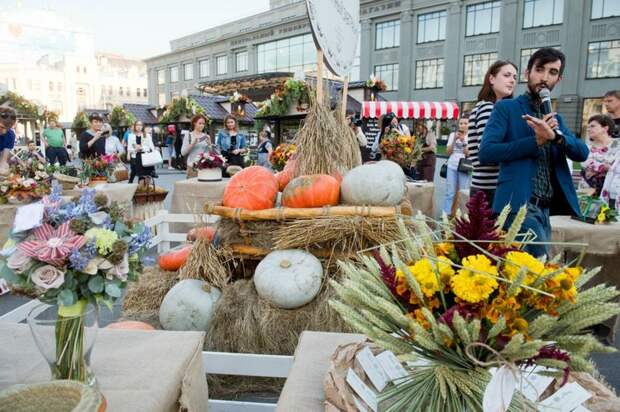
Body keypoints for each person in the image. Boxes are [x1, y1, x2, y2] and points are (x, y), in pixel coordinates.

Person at [479, 47, 589, 257]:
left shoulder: (555, 119)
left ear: (559, 78)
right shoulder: (506, 108)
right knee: (540, 269)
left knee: (530, 283)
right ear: (527, 73)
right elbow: (486, 152)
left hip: (545, 211)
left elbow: (582, 153)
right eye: (540, 69)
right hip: (517, 206)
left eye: (553, 72)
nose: (545, 78)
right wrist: (536, 141)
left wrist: (556, 137)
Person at [468, 60, 518, 205]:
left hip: (485, 187)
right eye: (507, 75)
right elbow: (489, 153)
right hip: (489, 188)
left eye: (514, 77)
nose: (512, 81)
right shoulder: (488, 108)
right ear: (492, 78)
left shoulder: (488, 106)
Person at [580, 114, 619, 196]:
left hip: (612, 193)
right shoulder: (586, 148)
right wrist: (605, 167)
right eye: (588, 127)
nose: (588, 129)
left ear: (605, 128)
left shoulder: (618, 145)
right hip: (588, 194)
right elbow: (585, 164)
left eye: (592, 126)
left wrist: (604, 168)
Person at [443, 117, 470, 215]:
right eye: (461, 123)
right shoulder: (452, 135)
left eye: (465, 123)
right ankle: (446, 214)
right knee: (450, 192)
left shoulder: (470, 136)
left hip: (464, 166)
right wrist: (454, 140)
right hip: (452, 166)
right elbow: (448, 152)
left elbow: (468, 154)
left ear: (469, 125)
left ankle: (462, 215)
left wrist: (463, 141)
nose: (463, 125)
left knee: (463, 192)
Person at [127, 120, 156, 185]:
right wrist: (135, 149)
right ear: (135, 126)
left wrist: (141, 148)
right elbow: (129, 148)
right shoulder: (130, 136)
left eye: (140, 125)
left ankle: (147, 192)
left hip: (146, 158)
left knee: (147, 177)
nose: (139, 127)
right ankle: (140, 191)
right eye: (137, 125)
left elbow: (151, 147)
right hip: (136, 158)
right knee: (140, 177)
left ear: (143, 126)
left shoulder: (147, 135)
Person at [0, 107, 17, 175]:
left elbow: (3, 159)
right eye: (1, 127)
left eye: (7, 128)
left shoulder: (10, 135)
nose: (4, 131)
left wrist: (3, 167)